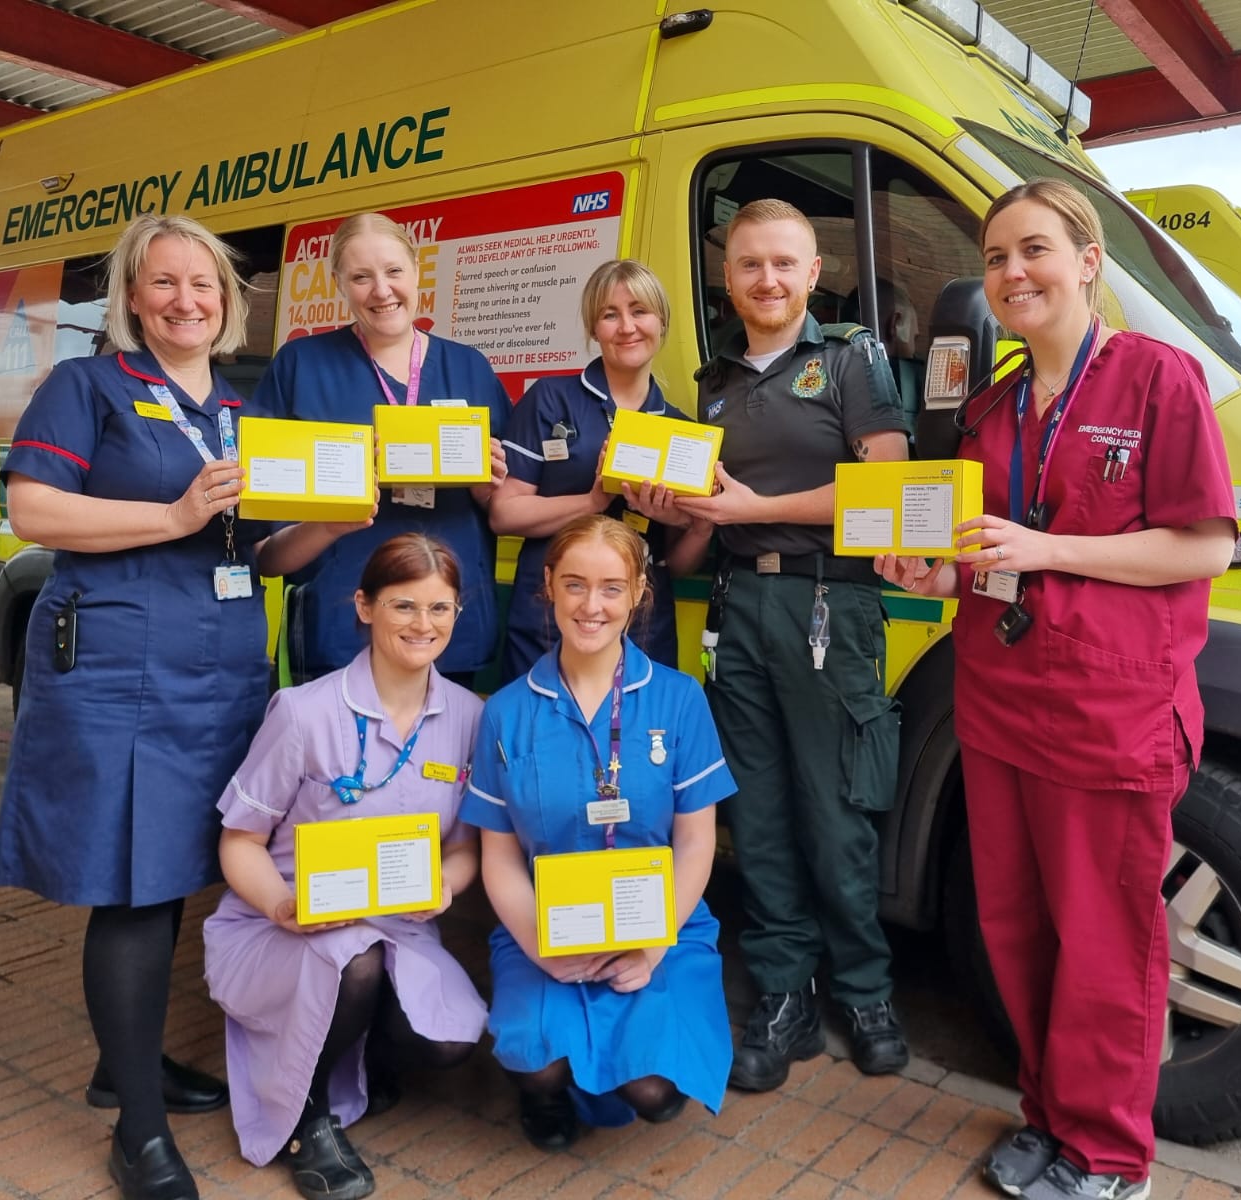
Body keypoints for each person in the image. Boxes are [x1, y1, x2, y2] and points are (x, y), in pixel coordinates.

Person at [877, 179, 1237, 1200]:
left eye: (1032, 249)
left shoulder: (1156, 379)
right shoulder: (991, 404)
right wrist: (932, 573)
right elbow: (982, 553)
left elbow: (1204, 544)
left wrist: (1045, 547)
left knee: (1106, 943)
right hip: (999, 703)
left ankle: (1113, 1155)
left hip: (1108, 713)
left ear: (1087, 261)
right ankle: (1049, 1116)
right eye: (994, 259)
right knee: (1017, 929)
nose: (1011, 273)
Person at [0, 213, 363, 1200]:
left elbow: (255, 557)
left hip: (228, 673)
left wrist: (326, 525)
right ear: (132, 297)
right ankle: (139, 1134)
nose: (185, 300)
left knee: (205, 870)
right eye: (164, 284)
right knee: (137, 883)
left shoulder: (244, 414)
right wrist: (172, 514)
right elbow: (31, 508)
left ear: (230, 301)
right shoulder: (88, 387)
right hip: (123, 672)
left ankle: (131, 1062)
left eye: (203, 285)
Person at [671, 199, 912, 1092]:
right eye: (747, 266)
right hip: (738, 611)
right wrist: (686, 515)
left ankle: (867, 992)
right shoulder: (712, 381)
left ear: (813, 273)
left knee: (837, 812)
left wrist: (754, 509)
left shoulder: (851, 361)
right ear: (728, 279)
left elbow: (886, 487)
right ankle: (783, 995)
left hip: (829, 607)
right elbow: (705, 511)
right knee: (760, 815)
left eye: (783, 264)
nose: (765, 280)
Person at [204, 533, 487, 1200]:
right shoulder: (303, 713)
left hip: (399, 924)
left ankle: (350, 1054)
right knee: (352, 964)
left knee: (450, 1044)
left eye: (440, 609)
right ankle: (306, 1119)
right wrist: (279, 904)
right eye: (404, 606)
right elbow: (238, 842)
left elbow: (464, 848)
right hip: (284, 925)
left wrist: (446, 886)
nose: (424, 625)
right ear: (363, 607)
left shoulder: (471, 718)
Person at [459, 515, 735, 1150]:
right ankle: (548, 1093)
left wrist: (654, 946)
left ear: (640, 593)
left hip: (658, 918)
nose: (591, 606)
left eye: (612, 588)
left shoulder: (678, 699)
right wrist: (539, 946)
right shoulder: (505, 711)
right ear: (548, 585)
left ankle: (619, 1064)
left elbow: (696, 843)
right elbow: (498, 858)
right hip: (546, 922)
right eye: (575, 584)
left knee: (655, 1094)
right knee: (538, 1064)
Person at [254, 211, 513, 687]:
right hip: (339, 628)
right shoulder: (301, 366)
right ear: (338, 283)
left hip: (448, 630)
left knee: (441, 761)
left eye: (394, 271)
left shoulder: (470, 368)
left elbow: (506, 509)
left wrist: (486, 486)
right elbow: (267, 549)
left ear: (417, 271)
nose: (381, 290)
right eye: (360, 277)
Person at [490, 259, 711, 682]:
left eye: (639, 311)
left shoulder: (683, 431)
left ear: (661, 321)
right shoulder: (551, 399)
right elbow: (504, 514)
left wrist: (694, 524)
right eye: (610, 315)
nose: (627, 326)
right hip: (550, 617)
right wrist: (594, 501)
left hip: (643, 623)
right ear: (594, 328)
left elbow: (679, 564)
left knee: (637, 743)